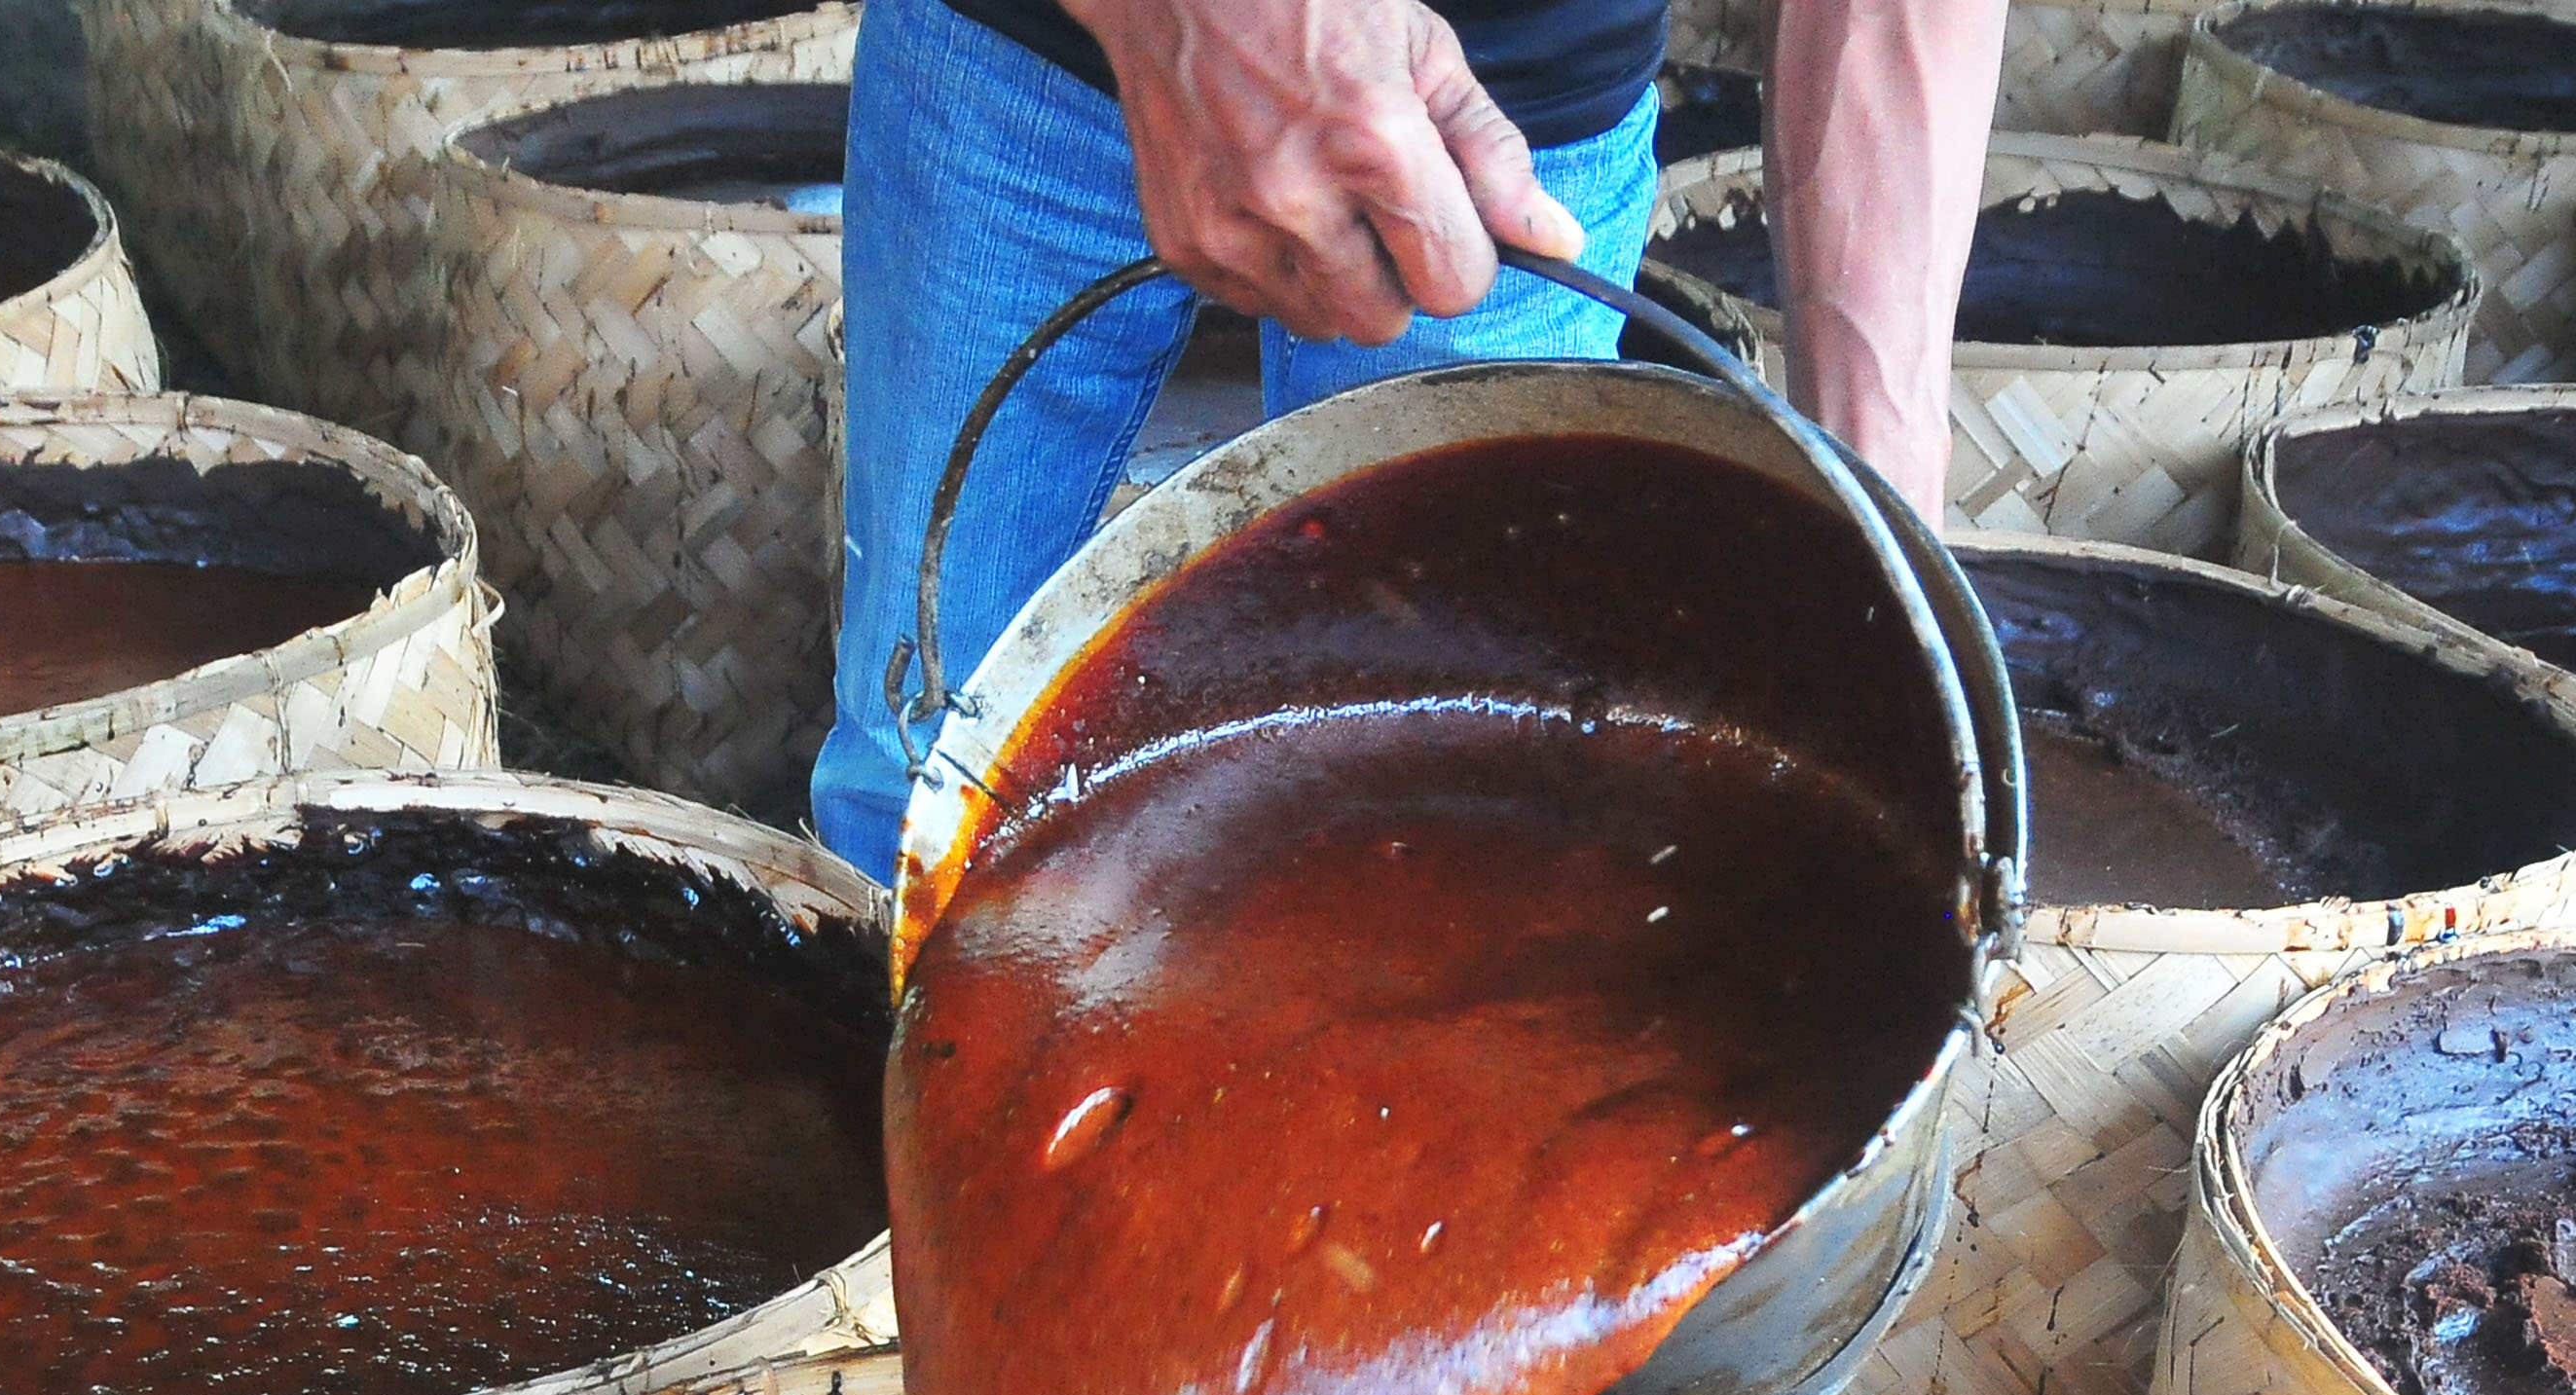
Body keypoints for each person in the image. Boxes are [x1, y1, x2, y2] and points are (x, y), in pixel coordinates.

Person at [809, 0, 2006, 879]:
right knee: (913, 764)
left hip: (1514, 131)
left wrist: (1875, 475)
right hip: (1023, 54)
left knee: (1453, 834)